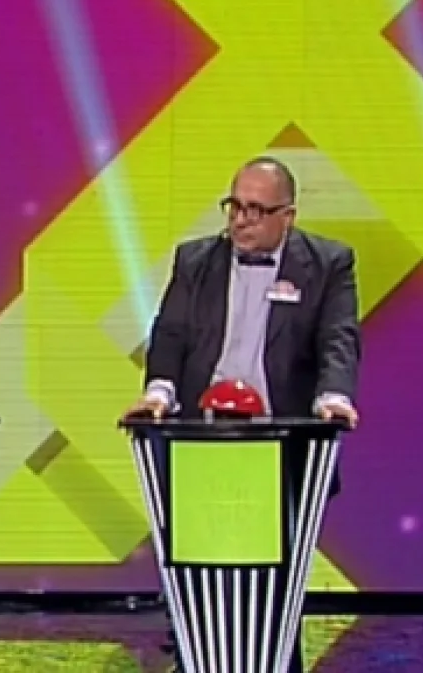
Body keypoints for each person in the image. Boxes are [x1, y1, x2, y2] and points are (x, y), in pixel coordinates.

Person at [127, 156, 361, 672]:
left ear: (288, 216)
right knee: (201, 574)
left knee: (275, 583)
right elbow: (170, 335)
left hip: (282, 446)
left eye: (256, 209)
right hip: (206, 443)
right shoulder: (196, 260)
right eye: (234, 206)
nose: (240, 220)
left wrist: (333, 396)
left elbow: (338, 340)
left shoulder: (329, 263)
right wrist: (160, 391)